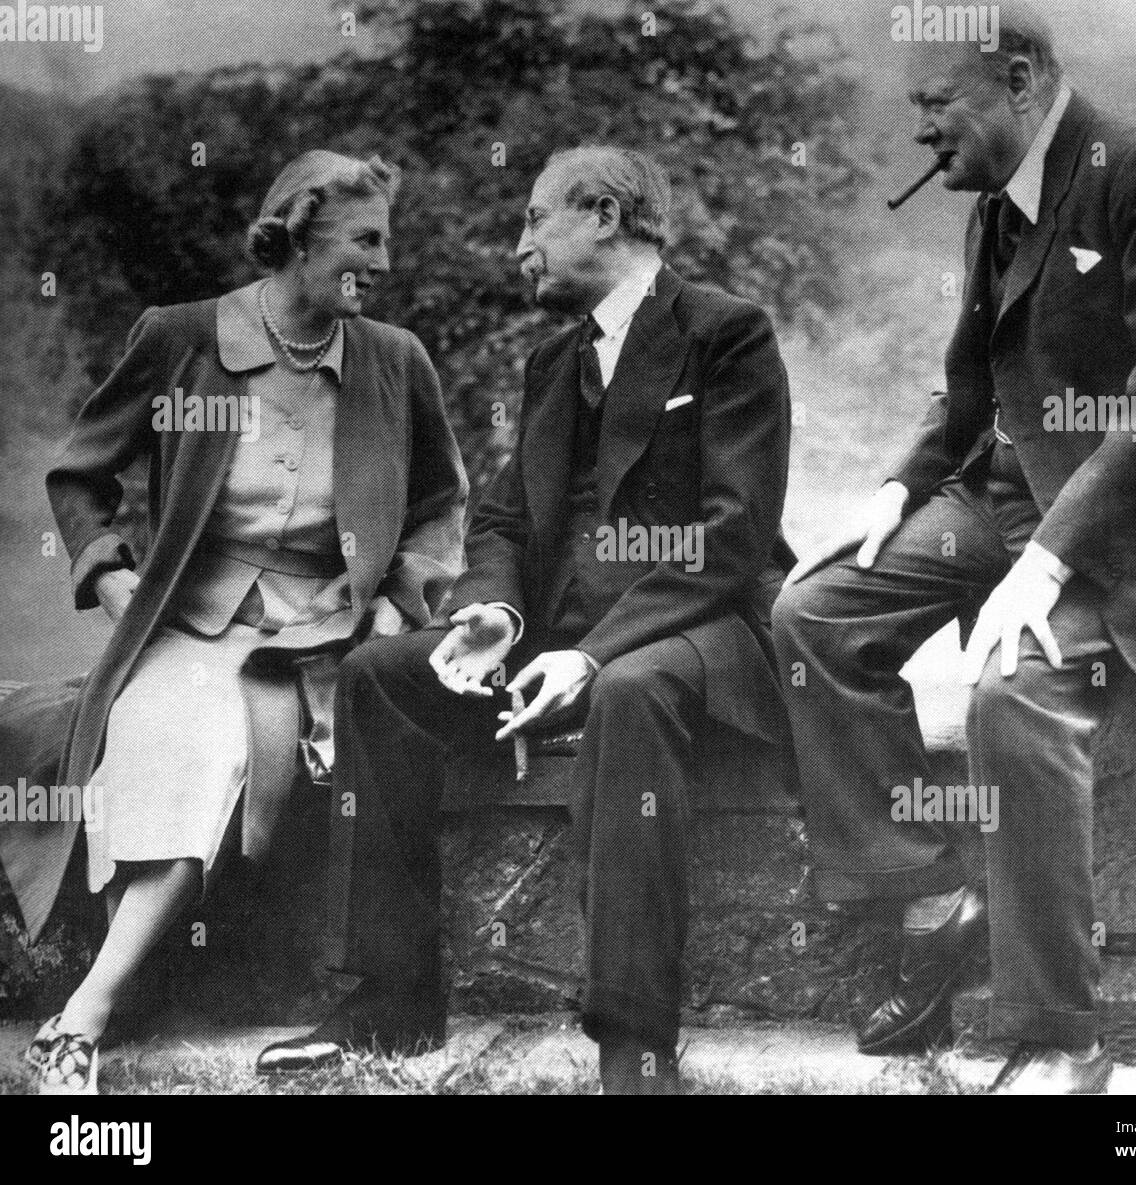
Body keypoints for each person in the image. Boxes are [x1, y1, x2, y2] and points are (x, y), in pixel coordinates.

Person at [772, 7, 1136, 1094]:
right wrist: (898, 486)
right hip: (1017, 498)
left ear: (1016, 78)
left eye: (934, 105)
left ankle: (1062, 1031)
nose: (920, 133)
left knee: (1015, 689)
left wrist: (1048, 564)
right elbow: (969, 378)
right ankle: (927, 896)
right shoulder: (998, 206)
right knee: (813, 612)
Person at [257, 145, 795, 1093]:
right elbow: (503, 518)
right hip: (548, 649)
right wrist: (495, 615)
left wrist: (588, 657)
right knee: (379, 676)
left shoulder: (727, 334)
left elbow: (735, 534)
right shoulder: (553, 361)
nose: (518, 249)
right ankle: (388, 1004)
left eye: (534, 221)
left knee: (630, 691)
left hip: (694, 635)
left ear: (602, 215)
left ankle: (634, 1047)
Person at [11, 150, 467, 1094]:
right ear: (298, 237)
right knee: (179, 746)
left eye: (389, 240)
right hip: (193, 623)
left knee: (243, 755)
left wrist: (396, 597)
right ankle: (88, 1015)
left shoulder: (393, 359)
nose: (384, 262)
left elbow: (439, 502)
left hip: (326, 638)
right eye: (364, 239)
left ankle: (79, 1019)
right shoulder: (181, 339)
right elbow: (80, 475)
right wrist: (111, 582)